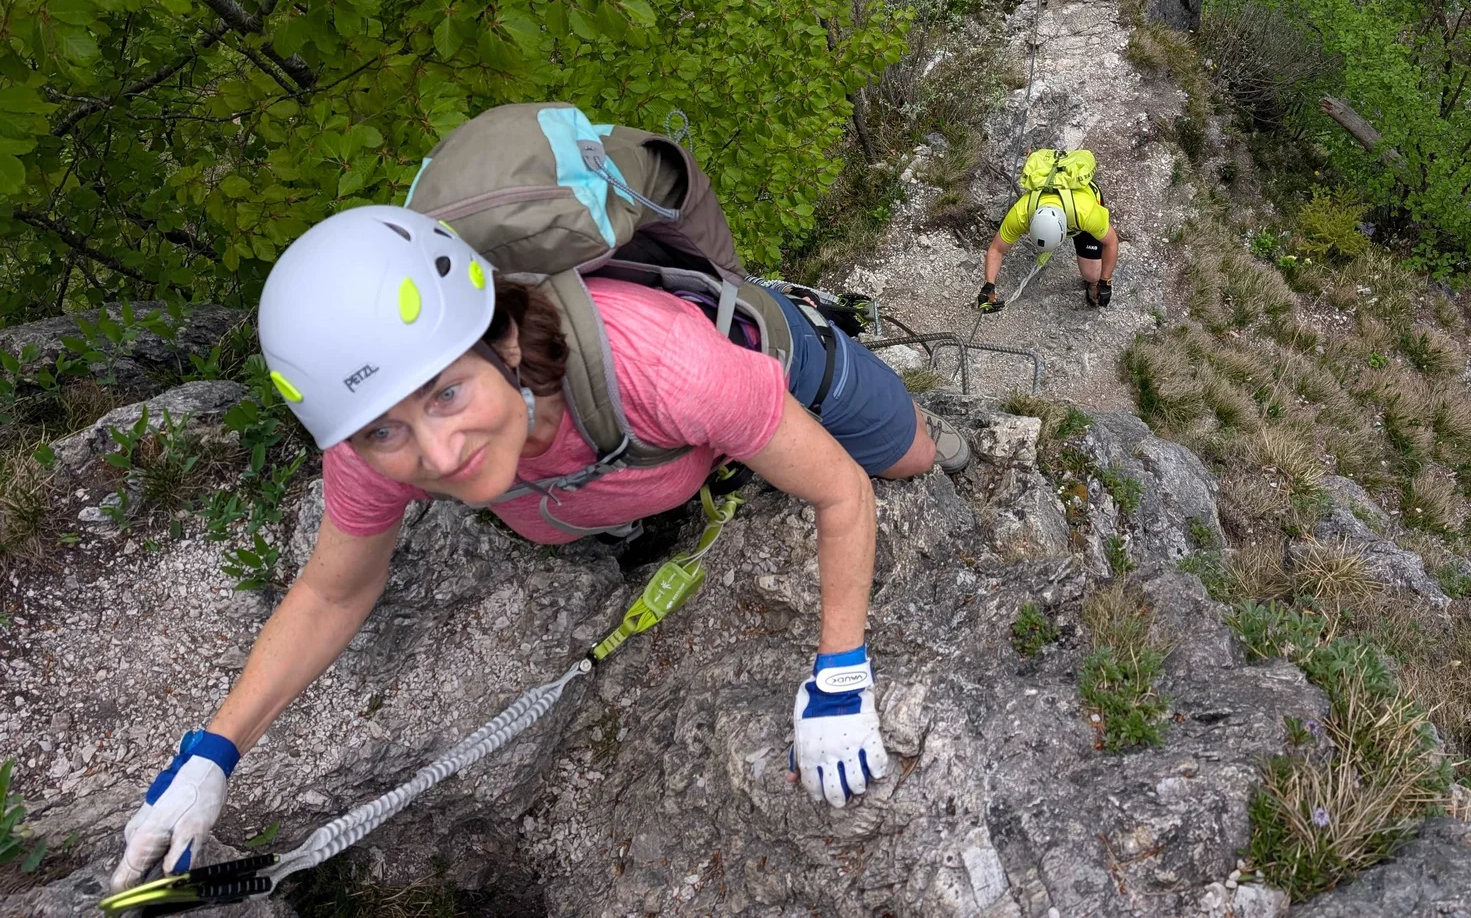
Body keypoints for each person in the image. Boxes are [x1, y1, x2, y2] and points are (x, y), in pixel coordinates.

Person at [109, 205, 969, 893]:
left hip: (769, 364)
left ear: (507, 341)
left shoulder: (663, 366)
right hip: (640, 470)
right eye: (387, 429)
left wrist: (841, 671)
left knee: (915, 458)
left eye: (448, 392)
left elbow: (838, 491)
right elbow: (333, 591)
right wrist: (211, 755)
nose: (436, 455)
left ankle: (822, 331)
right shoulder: (370, 447)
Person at [976, 175, 1118, 312]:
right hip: (1069, 212)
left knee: (1092, 275)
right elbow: (997, 249)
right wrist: (989, 285)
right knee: (1092, 272)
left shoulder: (1087, 213)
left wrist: (1105, 281)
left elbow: (1111, 242)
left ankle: (1092, 281)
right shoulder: (1021, 213)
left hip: (1082, 204)